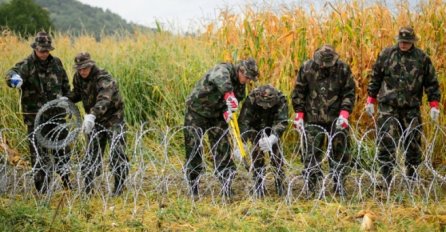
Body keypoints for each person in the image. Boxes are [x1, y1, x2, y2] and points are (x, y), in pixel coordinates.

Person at [365, 26, 441, 186]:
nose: (404, 45)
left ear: (412, 42)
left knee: (413, 142)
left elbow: (431, 83)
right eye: (401, 41)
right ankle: (386, 178)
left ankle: (412, 178)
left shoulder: (422, 58)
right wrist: (370, 99)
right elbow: (375, 77)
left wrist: (434, 104)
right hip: (388, 106)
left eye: (407, 42)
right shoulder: (387, 55)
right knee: (386, 141)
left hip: (410, 107)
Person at [5, 31, 72, 193]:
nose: (44, 53)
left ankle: (66, 182)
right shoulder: (26, 64)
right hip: (35, 118)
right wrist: (14, 80)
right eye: (42, 50)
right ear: (35, 48)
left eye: (47, 50)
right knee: (38, 154)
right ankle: (42, 190)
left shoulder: (57, 63)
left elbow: (65, 84)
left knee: (61, 150)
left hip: (57, 116)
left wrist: (67, 100)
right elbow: (9, 75)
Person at [184, 58, 258, 198]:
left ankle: (226, 185)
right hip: (197, 111)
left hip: (217, 116)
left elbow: (236, 101)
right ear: (240, 70)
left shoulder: (241, 86)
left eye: (250, 79)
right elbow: (218, 78)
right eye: (246, 77)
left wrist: (228, 112)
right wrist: (229, 95)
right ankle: (193, 185)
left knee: (223, 147)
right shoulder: (224, 69)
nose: (247, 81)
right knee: (193, 147)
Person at [291, 45, 356, 197]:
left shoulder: (343, 69)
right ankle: (312, 186)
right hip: (313, 117)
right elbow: (299, 92)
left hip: (336, 118)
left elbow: (349, 92)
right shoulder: (307, 68)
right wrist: (299, 114)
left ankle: (339, 184)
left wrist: (345, 114)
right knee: (311, 152)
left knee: (340, 150)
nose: (324, 66)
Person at [67, 52, 129, 196]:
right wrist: (65, 99)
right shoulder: (78, 77)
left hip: (113, 118)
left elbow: (104, 99)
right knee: (91, 154)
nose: (82, 71)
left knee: (117, 152)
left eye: (84, 68)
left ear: (91, 65)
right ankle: (88, 190)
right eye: (79, 69)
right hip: (94, 120)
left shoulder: (103, 78)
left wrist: (92, 115)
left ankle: (119, 189)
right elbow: (77, 93)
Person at [238, 84, 288, 197]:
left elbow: (282, 121)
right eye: (262, 105)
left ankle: (280, 184)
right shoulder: (251, 99)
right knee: (257, 156)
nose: (265, 107)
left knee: (277, 157)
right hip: (255, 130)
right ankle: (258, 185)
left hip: (272, 130)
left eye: (268, 105)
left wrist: (272, 138)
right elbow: (244, 122)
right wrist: (242, 143)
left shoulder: (280, 98)